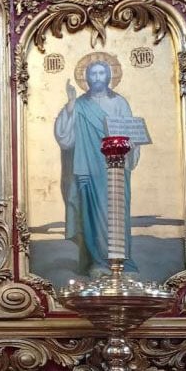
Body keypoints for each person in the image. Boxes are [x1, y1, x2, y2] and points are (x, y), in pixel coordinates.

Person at [54, 58, 140, 274]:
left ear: (109, 77)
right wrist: (71, 105)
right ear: (87, 78)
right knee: (89, 213)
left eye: (102, 73)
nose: (98, 78)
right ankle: (96, 261)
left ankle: (118, 261)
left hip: (115, 170)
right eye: (93, 74)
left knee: (116, 212)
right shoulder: (80, 104)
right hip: (87, 169)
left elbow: (131, 134)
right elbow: (66, 139)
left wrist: (131, 143)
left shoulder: (119, 103)